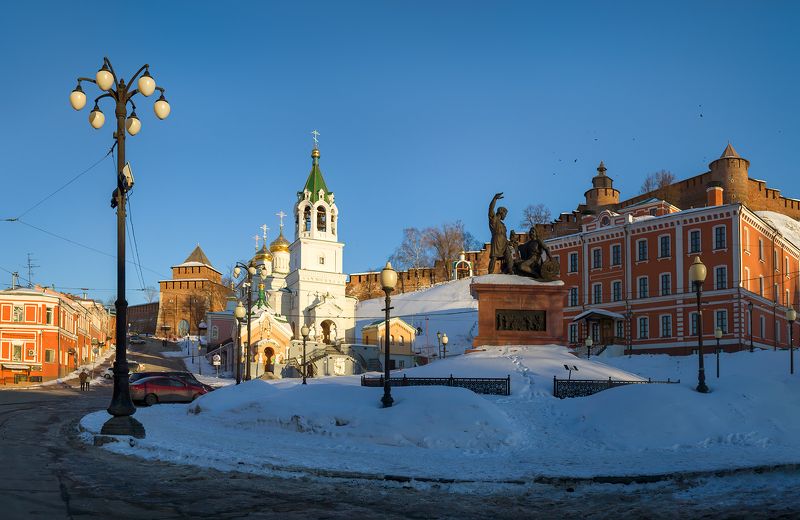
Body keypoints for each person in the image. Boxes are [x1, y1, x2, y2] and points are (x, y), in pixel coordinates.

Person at [488, 192, 509, 274]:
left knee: (508, 256)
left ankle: (510, 270)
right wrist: (494, 199)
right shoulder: (494, 219)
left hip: (504, 242)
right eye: (505, 214)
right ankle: (490, 272)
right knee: (494, 257)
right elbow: (490, 209)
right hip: (497, 241)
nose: (505, 216)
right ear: (501, 212)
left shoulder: (502, 224)